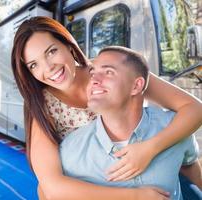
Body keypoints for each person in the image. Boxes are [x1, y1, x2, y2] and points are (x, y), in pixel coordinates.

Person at [11, 16, 202, 200]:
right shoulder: (42, 105)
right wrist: (136, 197)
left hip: (149, 169)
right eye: (34, 65)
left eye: (51, 51)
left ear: (68, 46)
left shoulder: (111, 71)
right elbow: (52, 187)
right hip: (96, 187)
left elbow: (194, 109)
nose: (48, 67)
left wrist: (149, 149)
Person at [59, 46, 202, 200]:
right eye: (93, 73)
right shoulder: (71, 151)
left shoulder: (174, 127)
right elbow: (48, 192)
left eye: (108, 72)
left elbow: (188, 166)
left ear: (136, 85)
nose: (94, 80)